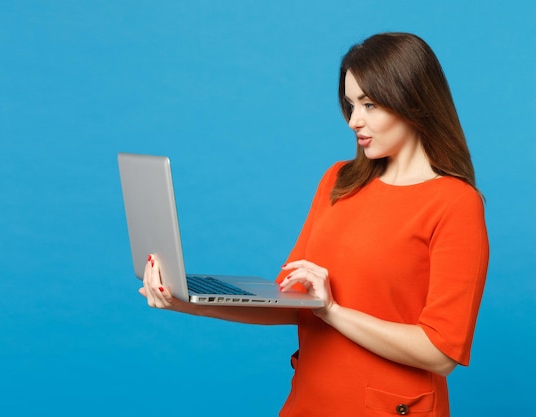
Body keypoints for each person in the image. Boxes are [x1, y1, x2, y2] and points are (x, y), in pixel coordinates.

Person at [140, 32, 489, 417]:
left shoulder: (455, 203)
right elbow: (292, 300)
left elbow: (440, 353)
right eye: (351, 104)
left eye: (370, 104)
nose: (355, 120)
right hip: (309, 402)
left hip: (390, 408)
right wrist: (187, 300)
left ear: (412, 101)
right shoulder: (338, 181)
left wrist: (333, 311)